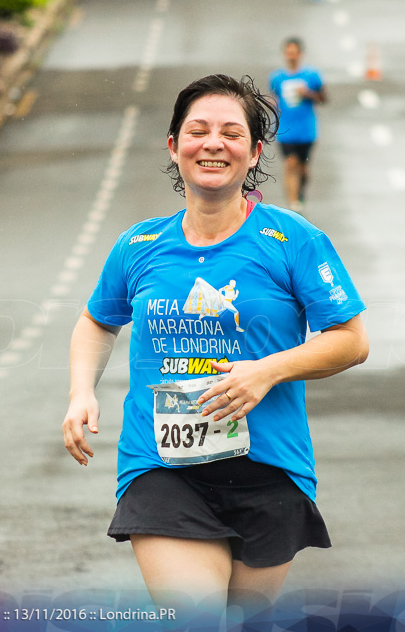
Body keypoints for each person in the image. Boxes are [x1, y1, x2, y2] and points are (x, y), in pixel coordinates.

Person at [63, 74, 368, 617]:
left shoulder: (292, 239)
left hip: (270, 468)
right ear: (174, 145)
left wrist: (265, 372)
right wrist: (80, 392)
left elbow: (350, 341)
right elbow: (96, 322)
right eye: (197, 131)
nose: (213, 144)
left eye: (231, 134)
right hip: (162, 469)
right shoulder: (139, 244)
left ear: (253, 154)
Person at [269, 38, 326, 214]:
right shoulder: (277, 78)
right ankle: (293, 203)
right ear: (285, 54)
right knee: (290, 163)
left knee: (303, 168)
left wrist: (307, 94)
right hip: (285, 130)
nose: (291, 55)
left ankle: (300, 194)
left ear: (300, 54)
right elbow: (274, 98)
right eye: (288, 52)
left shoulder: (311, 76)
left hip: (307, 131)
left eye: (294, 52)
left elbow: (323, 98)